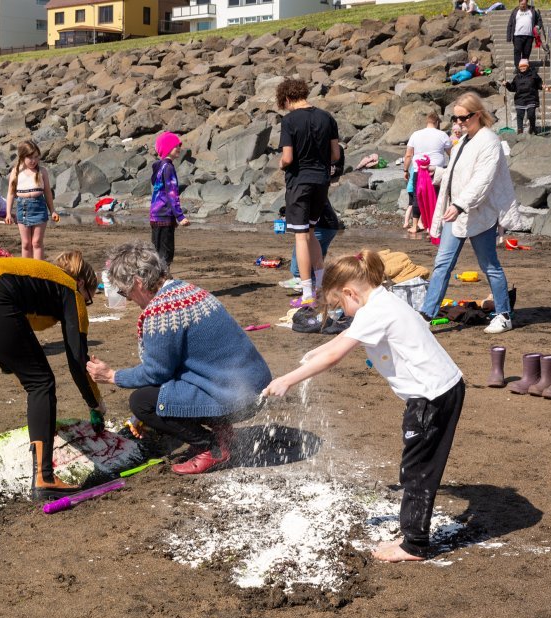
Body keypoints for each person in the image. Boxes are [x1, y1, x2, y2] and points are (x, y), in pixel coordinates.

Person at [263, 250, 465, 562]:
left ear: (349, 292)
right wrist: (318, 350)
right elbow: (345, 338)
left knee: (417, 470)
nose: (344, 311)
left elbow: (337, 355)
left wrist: (289, 379)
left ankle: (414, 544)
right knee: (419, 465)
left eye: (340, 305)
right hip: (442, 389)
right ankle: (414, 533)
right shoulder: (381, 299)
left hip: (431, 397)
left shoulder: (374, 312)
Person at [86, 241, 272, 476]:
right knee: (157, 396)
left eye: (125, 291)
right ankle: (222, 430)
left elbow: (156, 373)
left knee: (142, 402)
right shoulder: (188, 289)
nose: (129, 299)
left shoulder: (161, 311)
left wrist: (113, 376)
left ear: (139, 283)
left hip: (237, 398)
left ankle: (212, 446)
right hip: (253, 387)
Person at [0, 251, 104, 500]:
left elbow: (9, 331)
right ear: (82, 283)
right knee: (40, 382)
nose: (85, 303)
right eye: (88, 298)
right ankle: (45, 477)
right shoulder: (70, 289)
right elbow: (78, 361)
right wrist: (95, 404)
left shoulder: (36, 276)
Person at [420, 93, 515, 334]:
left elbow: (483, 179)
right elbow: (458, 174)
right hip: (457, 213)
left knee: (489, 265)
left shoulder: (489, 141)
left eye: (463, 118)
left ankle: (504, 314)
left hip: (479, 213)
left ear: (478, 115)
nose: (458, 122)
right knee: (442, 264)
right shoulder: (463, 141)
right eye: (455, 118)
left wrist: (460, 204)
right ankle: (426, 315)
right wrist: (437, 173)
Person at [276, 78, 341, 308]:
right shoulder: (327, 117)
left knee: (301, 236)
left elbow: (288, 157)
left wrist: (281, 165)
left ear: (285, 99)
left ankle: (307, 294)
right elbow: (335, 154)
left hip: (300, 181)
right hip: (321, 181)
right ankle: (321, 287)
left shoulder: (289, 120)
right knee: (311, 233)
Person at [5, 140, 58, 260]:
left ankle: (38, 271)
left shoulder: (42, 171)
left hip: (39, 207)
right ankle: (26, 271)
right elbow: (11, 193)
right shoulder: (16, 171)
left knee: (37, 242)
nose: (33, 161)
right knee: (26, 244)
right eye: (30, 157)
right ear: (22, 157)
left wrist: (53, 211)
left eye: (36, 157)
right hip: (22, 208)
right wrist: (8, 213)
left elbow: (48, 193)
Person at [403, 112, 452, 237]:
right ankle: (432, 227)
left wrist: (405, 170)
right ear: (437, 122)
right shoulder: (442, 135)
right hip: (436, 171)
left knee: (417, 197)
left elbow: (408, 155)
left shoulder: (416, 134)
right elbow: (451, 154)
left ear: (427, 121)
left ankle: (414, 226)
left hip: (418, 171)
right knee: (434, 198)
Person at [150, 131, 191, 268]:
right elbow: (172, 194)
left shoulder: (160, 166)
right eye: (175, 146)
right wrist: (179, 216)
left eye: (179, 145)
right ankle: (162, 280)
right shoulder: (168, 168)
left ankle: (158, 279)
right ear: (167, 149)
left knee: (157, 251)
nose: (179, 148)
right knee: (166, 253)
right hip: (164, 216)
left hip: (156, 215)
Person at [504, 59, 543, 135]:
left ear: (527, 66)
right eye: (521, 66)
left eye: (524, 66)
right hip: (520, 99)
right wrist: (507, 84)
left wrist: (542, 86)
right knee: (519, 115)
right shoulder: (517, 77)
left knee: (531, 114)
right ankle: (520, 131)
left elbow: (539, 84)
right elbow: (513, 88)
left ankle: (532, 127)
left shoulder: (534, 75)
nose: (522, 68)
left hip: (531, 98)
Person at [507, 0, 542, 65]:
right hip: (517, 36)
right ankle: (518, 68)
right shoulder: (515, 11)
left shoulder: (532, 11)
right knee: (517, 52)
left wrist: (538, 27)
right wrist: (508, 37)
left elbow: (539, 21)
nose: (523, 6)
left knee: (526, 53)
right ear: (519, 3)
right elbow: (510, 24)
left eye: (524, 4)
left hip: (529, 36)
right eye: (521, 4)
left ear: (527, 3)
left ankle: (524, 69)